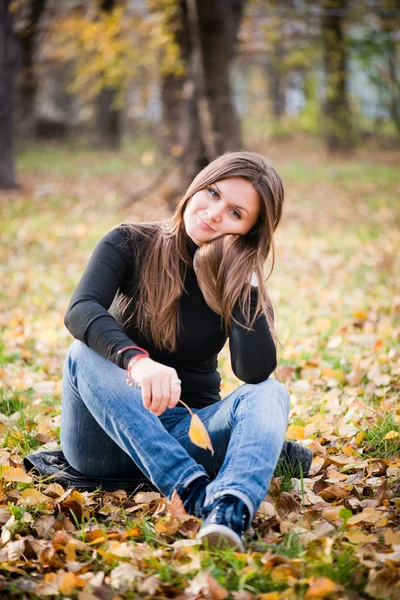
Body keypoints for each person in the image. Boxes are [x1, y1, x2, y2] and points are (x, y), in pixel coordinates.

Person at [60, 151, 301, 551]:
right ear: (198, 184)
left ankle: (228, 508)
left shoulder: (233, 276)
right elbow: (81, 309)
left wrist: (243, 284)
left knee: (271, 392)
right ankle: (191, 492)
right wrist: (137, 362)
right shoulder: (128, 241)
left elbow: (253, 371)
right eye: (212, 192)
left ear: (249, 232)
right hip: (104, 440)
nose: (213, 213)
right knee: (82, 352)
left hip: (189, 432)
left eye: (236, 213)